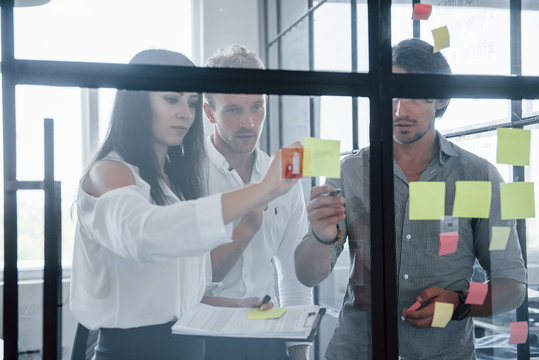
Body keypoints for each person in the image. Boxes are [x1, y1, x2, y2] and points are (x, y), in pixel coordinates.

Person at [294, 38, 527, 359]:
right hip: (357, 351)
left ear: (442, 99)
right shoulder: (349, 171)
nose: (400, 109)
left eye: (415, 94)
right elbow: (309, 275)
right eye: (392, 93)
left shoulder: (479, 176)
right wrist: (320, 238)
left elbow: (511, 286)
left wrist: (459, 303)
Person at [69, 49, 298, 360]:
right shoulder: (109, 172)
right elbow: (147, 235)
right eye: (171, 99)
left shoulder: (168, 183)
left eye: (190, 102)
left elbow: (185, 283)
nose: (184, 114)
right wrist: (262, 190)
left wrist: (237, 306)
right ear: (136, 100)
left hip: (188, 347)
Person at [202, 45, 313, 360]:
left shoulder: (284, 178)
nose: (249, 122)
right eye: (234, 110)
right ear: (209, 112)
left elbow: (293, 278)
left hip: (267, 338)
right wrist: (247, 226)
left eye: (257, 107)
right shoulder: (187, 176)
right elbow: (185, 283)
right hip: (201, 337)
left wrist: (300, 354)